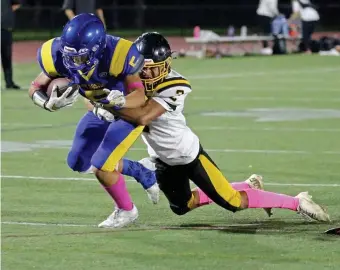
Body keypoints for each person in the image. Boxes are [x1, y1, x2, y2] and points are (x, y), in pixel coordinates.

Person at [99, 32, 330, 222]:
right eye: (143, 67)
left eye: (152, 67)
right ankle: (249, 185)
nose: (146, 73)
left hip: (188, 155)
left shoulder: (175, 85)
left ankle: (296, 202)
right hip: (162, 158)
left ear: (166, 64)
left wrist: (111, 104)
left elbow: (143, 116)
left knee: (233, 201)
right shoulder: (133, 82)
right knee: (181, 206)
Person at [28, 13, 159, 229]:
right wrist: (47, 104)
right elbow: (35, 87)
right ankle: (140, 171)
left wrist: (120, 101)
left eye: (80, 57)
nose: (73, 62)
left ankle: (127, 210)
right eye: (69, 55)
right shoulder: (57, 53)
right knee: (78, 162)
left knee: (101, 166)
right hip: (99, 111)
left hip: (128, 113)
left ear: (97, 49)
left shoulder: (118, 53)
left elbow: (140, 95)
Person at [1, 0, 21, 89]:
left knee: (7, 56)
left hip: (5, 29)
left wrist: (6, 12)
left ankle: (9, 82)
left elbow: (17, 3)